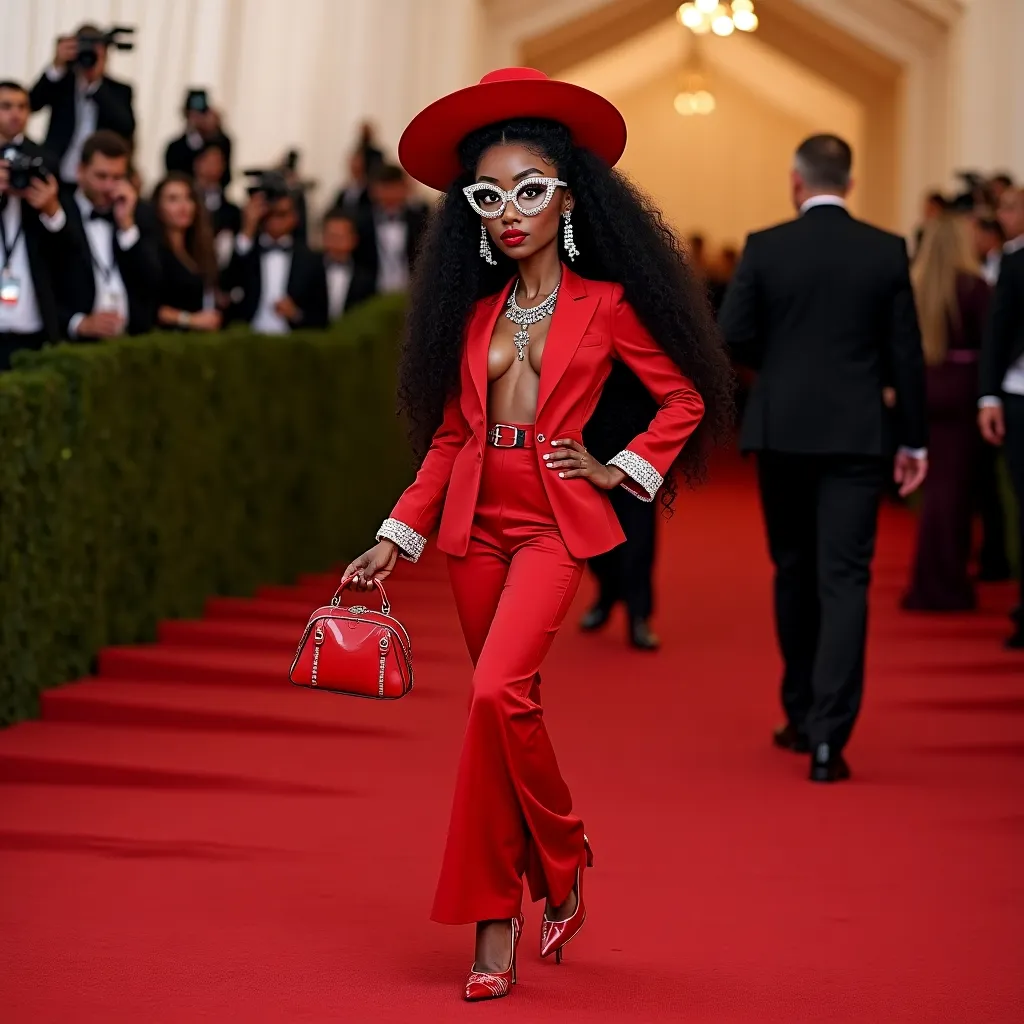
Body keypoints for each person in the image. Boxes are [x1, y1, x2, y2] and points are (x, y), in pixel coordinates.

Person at [342, 67, 731, 1002]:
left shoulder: (608, 305)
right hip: (474, 526)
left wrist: (620, 469)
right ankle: (500, 917)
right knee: (496, 719)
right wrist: (397, 532)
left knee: (494, 693)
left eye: (528, 190)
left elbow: (683, 399)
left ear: (567, 199)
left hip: (554, 522)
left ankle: (557, 855)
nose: (509, 212)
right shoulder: (472, 316)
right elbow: (450, 438)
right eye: (488, 197)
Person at [719, 134, 928, 783]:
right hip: (857, 433)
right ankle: (829, 742)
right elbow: (905, 352)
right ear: (850, 183)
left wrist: (782, 369)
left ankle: (801, 714)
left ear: (796, 181)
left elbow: (732, 335)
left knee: (793, 570)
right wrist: (914, 440)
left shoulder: (765, 246)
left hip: (781, 428)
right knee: (845, 579)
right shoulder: (885, 249)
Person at [902, 215, 991, 610]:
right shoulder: (974, 287)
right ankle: (943, 584)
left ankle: (931, 579)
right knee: (953, 494)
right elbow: (992, 341)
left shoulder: (916, 284)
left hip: (925, 386)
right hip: (962, 391)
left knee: (937, 489)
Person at [579, 359, 661, 649]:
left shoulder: (655, 328)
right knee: (593, 527)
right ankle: (607, 591)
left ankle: (639, 615)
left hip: (640, 428)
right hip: (590, 427)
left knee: (639, 530)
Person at [0, 81, 77, 368]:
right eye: (6, 106)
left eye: (22, 107)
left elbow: (70, 248)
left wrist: (50, 209)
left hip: (32, 313)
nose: (16, 114)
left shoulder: (45, 159)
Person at [979, 186, 1024, 649]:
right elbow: (997, 332)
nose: (1003, 216)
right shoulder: (1013, 262)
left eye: (1011, 208)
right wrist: (988, 397)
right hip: (1017, 395)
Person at [59, 130, 159, 340]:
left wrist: (127, 226)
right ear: (80, 171)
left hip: (129, 342)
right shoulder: (60, 213)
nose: (109, 186)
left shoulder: (138, 213)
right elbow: (46, 282)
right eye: (101, 176)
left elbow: (153, 281)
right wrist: (78, 323)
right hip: (74, 343)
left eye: (117, 177)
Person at [29, 25, 135, 187]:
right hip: (57, 174)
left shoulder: (120, 90)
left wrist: (94, 85)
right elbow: (32, 104)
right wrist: (56, 66)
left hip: (99, 181)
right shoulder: (61, 82)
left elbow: (126, 125)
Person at [223, 187, 326, 333]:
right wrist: (247, 228)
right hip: (248, 336)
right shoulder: (246, 249)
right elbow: (227, 284)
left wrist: (296, 314)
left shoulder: (310, 259)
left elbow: (321, 315)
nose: (275, 220)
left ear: (295, 217)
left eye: (282, 214)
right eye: (269, 214)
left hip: (293, 338)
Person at [151, 173, 222, 333]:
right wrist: (190, 320)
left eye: (188, 198)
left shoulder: (200, 249)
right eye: (173, 199)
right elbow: (148, 305)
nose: (183, 207)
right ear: (158, 207)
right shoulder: (153, 252)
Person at [355, 163, 428, 294]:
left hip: (411, 291)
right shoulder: (361, 222)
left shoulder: (419, 220)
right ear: (373, 191)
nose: (389, 194)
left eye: (394, 188)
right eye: (384, 188)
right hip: (371, 292)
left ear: (404, 188)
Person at [164, 89, 232, 188]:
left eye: (201, 114)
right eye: (192, 114)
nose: (197, 118)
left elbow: (226, 176)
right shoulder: (175, 147)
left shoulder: (221, 143)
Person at [319, 209, 375, 323]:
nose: (336, 242)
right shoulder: (309, 272)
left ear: (354, 240)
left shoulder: (365, 278)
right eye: (332, 236)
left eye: (341, 237)